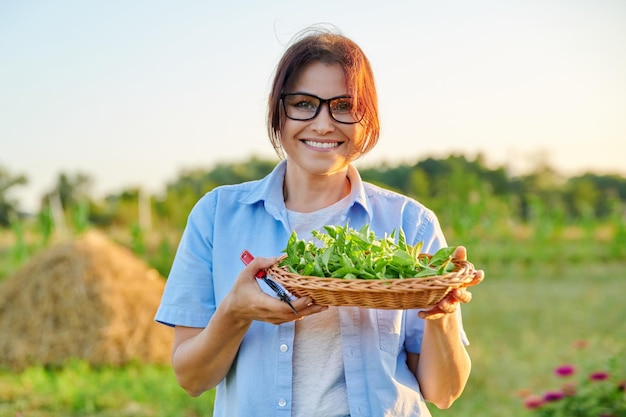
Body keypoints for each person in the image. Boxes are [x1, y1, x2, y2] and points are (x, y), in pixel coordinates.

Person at [155, 26, 484, 417]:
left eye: (344, 106)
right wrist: (235, 312)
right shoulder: (217, 216)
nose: (324, 123)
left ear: (367, 120)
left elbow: (443, 393)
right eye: (304, 103)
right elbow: (192, 379)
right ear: (279, 113)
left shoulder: (409, 224)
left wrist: (442, 313)